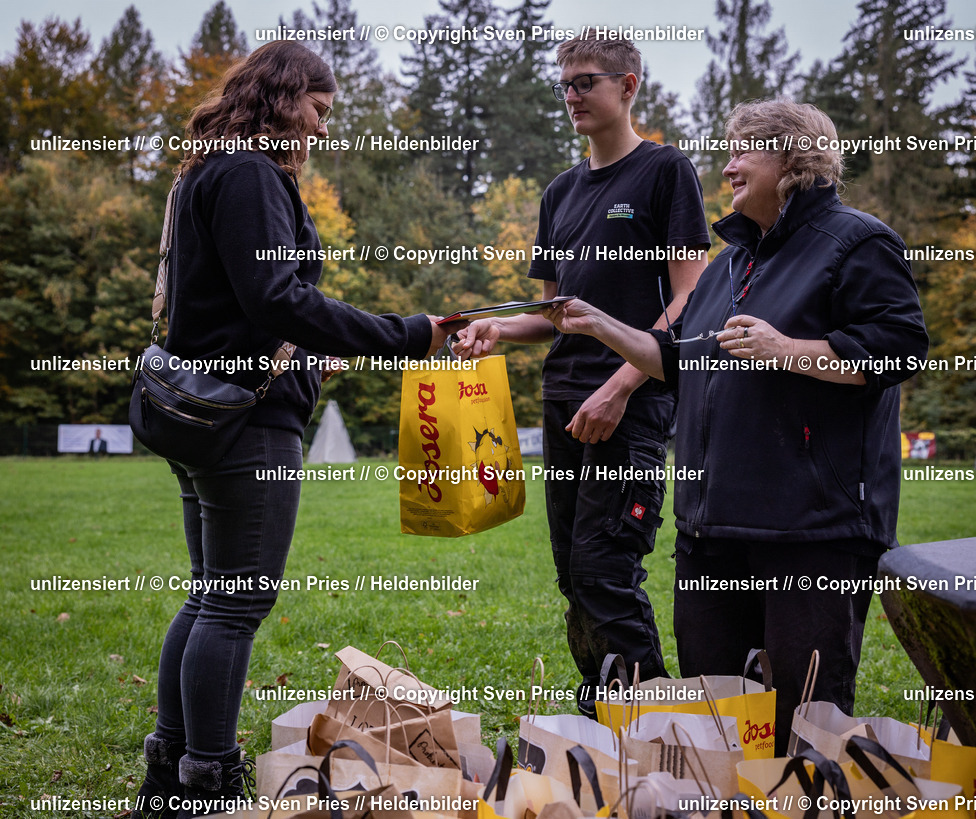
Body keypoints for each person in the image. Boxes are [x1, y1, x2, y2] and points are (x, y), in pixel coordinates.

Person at [545, 99, 929, 749]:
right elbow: (676, 360)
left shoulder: (858, 242)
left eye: (743, 151)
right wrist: (600, 324)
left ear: (795, 157)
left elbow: (900, 349)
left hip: (812, 531)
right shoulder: (729, 263)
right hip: (711, 532)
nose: (728, 168)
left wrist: (789, 349)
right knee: (720, 728)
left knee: (802, 725)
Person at [132, 42, 451, 819]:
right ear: (283, 96)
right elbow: (276, 297)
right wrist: (405, 334)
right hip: (246, 421)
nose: (323, 127)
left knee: (211, 595)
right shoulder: (250, 174)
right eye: (320, 108)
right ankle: (208, 781)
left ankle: (169, 777)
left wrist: (308, 354)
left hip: (209, 411)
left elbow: (238, 307)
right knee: (234, 602)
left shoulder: (209, 169)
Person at [454, 31, 709, 717]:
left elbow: (691, 297)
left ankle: (657, 725)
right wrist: (497, 330)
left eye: (585, 82)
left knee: (605, 571)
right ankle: (603, 716)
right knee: (575, 574)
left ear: (627, 86)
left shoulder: (665, 171)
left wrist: (621, 385)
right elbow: (553, 313)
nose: (571, 95)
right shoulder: (560, 192)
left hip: (630, 402)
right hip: (563, 402)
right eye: (564, 84)